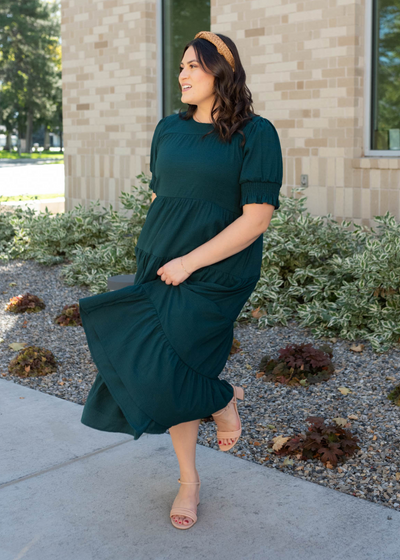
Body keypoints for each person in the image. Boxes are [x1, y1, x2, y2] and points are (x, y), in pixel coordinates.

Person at [78, 31, 283, 530]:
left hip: (216, 273)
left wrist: (189, 261)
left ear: (222, 73)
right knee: (164, 366)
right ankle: (192, 470)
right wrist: (157, 251)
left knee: (176, 366)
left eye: (195, 66)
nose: (184, 74)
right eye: (183, 66)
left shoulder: (256, 134)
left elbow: (256, 219)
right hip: (160, 262)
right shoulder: (168, 129)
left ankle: (218, 399)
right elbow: (160, 196)